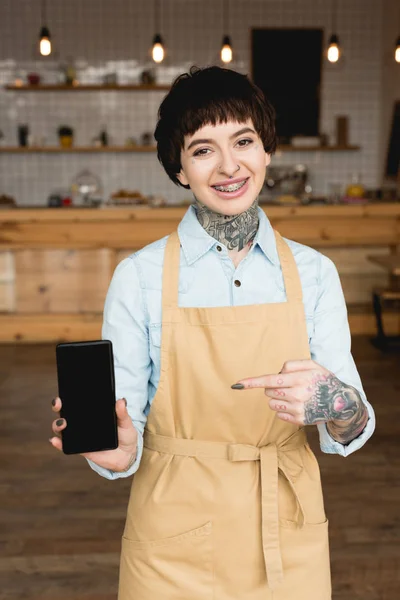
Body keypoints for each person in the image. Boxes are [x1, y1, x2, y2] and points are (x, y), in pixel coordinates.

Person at [50, 65, 376, 599]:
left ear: (266, 149)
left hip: (287, 530)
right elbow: (120, 435)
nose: (229, 166)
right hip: (173, 537)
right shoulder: (140, 277)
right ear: (180, 169)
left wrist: (338, 403)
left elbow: (351, 424)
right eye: (203, 149)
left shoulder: (316, 274)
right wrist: (112, 451)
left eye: (243, 141)